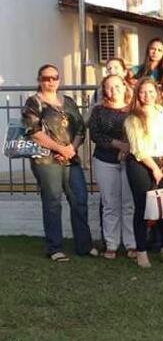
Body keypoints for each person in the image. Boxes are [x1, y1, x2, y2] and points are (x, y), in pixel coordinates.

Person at [21, 64, 96, 263]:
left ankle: (84, 245)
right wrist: (60, 149)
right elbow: (34, 132)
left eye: (54, 77)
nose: (51, 81)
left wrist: (71, 149)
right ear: (39, 80)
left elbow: (80, 128)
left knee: (79, 199)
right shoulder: (33, 103)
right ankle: (54, 248)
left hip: (71, 158)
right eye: (46, 78)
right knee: (53, 202)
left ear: (59, 79)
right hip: (46, 160)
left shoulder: (69, 102)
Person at [124, 77, 163, 268]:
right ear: (137, 94)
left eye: (151, 91)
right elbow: (138, 149)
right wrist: (154, 168)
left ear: (156, 92)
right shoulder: (133, 118)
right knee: (143, 209)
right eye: (143, 92)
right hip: (142, 163)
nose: (147, 95)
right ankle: (141, 251)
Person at [89, 74, 135, 260]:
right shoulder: (98, 110)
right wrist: (118, 145)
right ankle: (112, 244)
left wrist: (128, 147)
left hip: (130, 160)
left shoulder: (134, 108)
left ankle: (132, 244)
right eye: (108, 87)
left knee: (128, 204)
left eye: (117, 86)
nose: (113, 90)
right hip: (105, 160)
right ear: (103, 90)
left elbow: (140, 130)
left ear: (124, 87)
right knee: (110, 204)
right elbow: (95, 134)